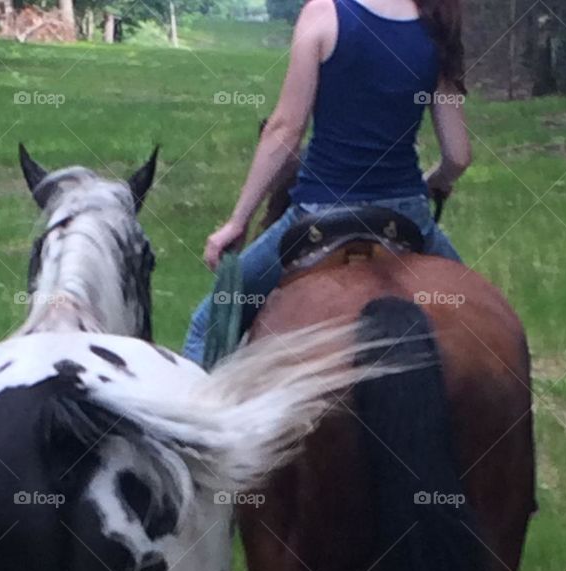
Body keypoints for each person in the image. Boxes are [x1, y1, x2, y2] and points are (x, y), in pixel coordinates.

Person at [183, 0, 471, 365]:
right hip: (405, 215)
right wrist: (434, 183)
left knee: (207, 325)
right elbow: (458, 156)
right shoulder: (435, 22)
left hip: (319, 214)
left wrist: (237, 221)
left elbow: (285, 130)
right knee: (477, 318)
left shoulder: (323, 14)